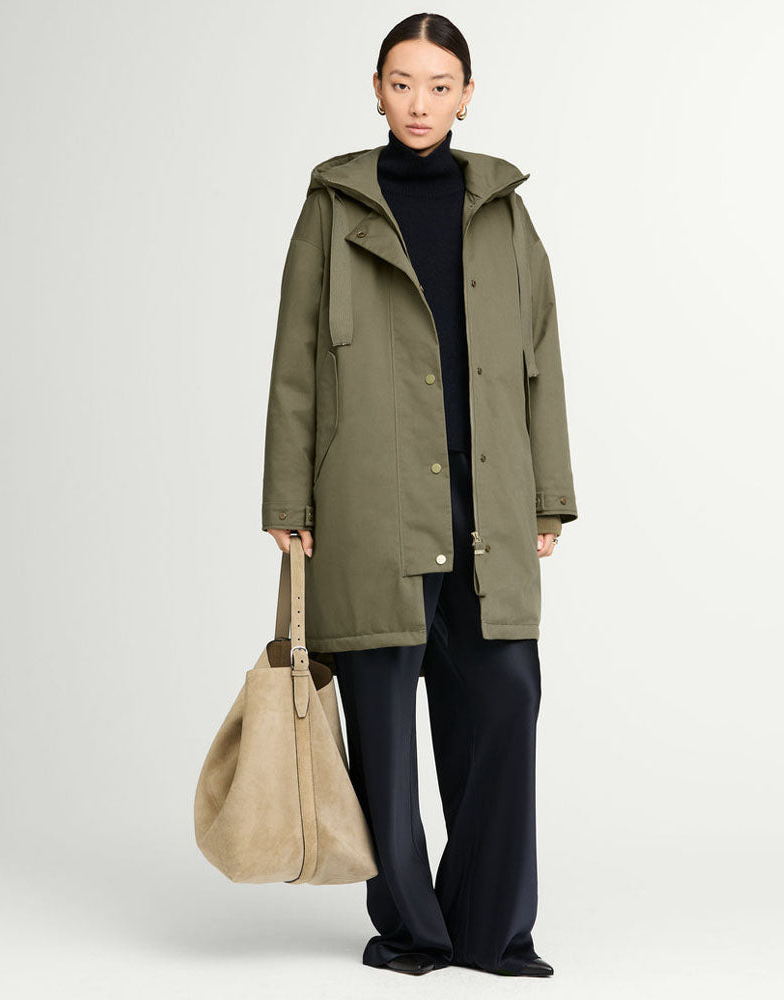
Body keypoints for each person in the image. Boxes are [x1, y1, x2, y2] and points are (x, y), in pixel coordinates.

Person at [262, 12, 578, 979]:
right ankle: (411, 931)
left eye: (440, 86)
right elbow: (295, 363)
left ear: (467, 96)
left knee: (503, 702)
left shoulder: (505, 212)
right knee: (385, 726)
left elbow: (541, 359)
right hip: (367, 500)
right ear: (376, 89)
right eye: (403, 83)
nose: (420, 103)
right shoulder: (334, 206)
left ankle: (492, 930)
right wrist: (288, 498)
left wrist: (547, 498)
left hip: (489, 500)